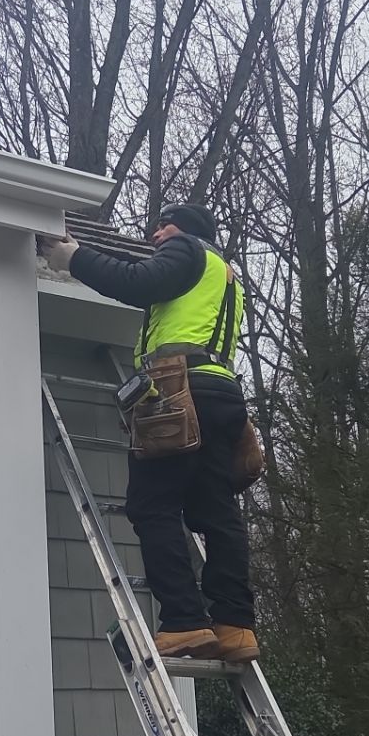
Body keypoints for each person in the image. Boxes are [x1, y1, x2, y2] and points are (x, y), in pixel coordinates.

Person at [40, 203, 257, 662]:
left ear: (185, 230)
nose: (156, 234)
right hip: (221, 394)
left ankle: (183, 622)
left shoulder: (186, 249)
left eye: (164, 225)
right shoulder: (225, 275)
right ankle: (235, 626)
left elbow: (137, 282)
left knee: (152, 503)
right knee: (215, 511)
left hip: (180, 390)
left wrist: (71, 258)